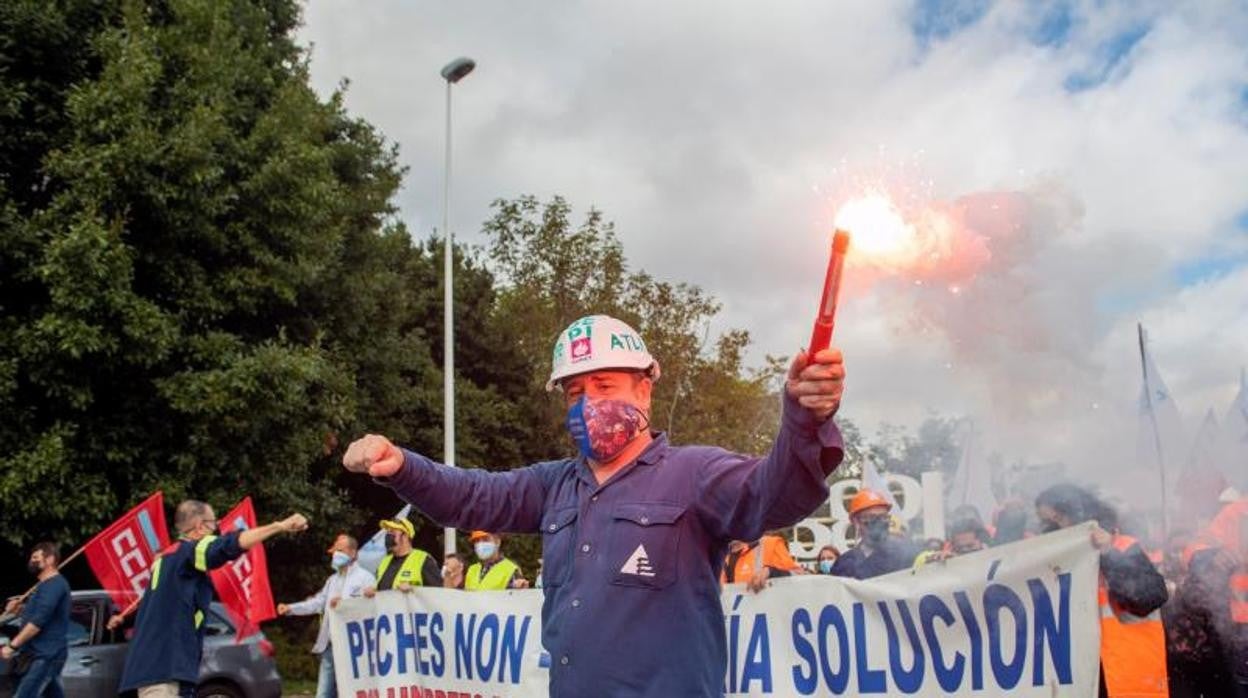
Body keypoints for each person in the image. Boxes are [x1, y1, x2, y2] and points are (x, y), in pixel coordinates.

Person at [342, 314, 845, 697]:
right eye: (575, 392)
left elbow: (775, 494)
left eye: (605, 386)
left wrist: (803, 419)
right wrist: (403, 465)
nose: (588, 405)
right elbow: (473, 497)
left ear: (644, 390)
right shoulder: (554, 486)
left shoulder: (695, 475)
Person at [111, 500, 308, 698]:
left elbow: (153, 608)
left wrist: (123, 620)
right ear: (199, 527)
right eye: (214, 523)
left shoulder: (165, 560)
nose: (216, 529)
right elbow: (227, 545)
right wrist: (279, 526)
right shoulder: (189, 550)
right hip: (166, 669)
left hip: (149, 670)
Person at [1034, 483, 1169, 698]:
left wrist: (1109, 554)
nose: (1051, 528)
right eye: (1045, 522)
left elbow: (1150, 597)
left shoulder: (1121, 547)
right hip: (1081, 681)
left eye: (1057, 519)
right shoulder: (1054, 564)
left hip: (1126, 681)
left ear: (1077, 512)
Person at [276, 534, 374, 698]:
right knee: (323, 694)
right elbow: (316, 603)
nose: (336, 553)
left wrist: (344, 603)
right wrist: (290, 608)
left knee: (350, 693)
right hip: (330, 645)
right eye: (335, 550)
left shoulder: (366, 578)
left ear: (353, 553)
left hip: (354, 648)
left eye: (340, 550)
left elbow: (370, 608)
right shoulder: (332, 581)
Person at [0, 542, 71, 698]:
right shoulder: (44, 586)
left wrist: (12, 646)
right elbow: (37, 614)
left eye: (36, 558)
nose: (31, 561)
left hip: (46, 655)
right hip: (43, 654)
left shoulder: (54, 585)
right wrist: (18, 610)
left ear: (50, 559)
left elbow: (37, 622)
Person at [829, 489, 922, 579]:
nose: (879, 522)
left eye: (883, 517)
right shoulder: (844, 564)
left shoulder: (904, 555)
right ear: (856, 521)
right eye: (871, 517)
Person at [362, 517, 440, 595]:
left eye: (392, 532)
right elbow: (380, 591)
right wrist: (372, 591)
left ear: (405, 536)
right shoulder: (384, 562)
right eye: (387, 533)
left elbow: (437, 593)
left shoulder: (423, 560)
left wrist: (414, 590)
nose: (388, 536)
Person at [721, 534, 802, 593]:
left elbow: (800, 577)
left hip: (770, 613)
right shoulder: (718, 555)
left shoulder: (770, 544)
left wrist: (771, 572)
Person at [465, 531, 529, 590]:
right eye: (477, 541)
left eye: (485, 539)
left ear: (498, 542)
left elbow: (517, 599)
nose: (480, 544)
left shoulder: (510, 569)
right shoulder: (472, 570)